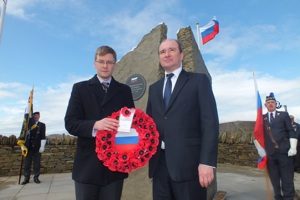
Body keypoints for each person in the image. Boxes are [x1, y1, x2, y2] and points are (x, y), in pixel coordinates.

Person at [146, 39, 219, 200]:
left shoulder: (199, 81)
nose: (167, 54)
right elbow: (148, 127)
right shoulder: (154, 89)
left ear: (182, 55)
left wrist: (207, 162)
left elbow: (210, 124)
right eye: (162, 51)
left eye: (171, 50)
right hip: (159, 167)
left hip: (190, 168)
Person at [64, 45, 134, 200]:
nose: (105, 65)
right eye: (101, 61)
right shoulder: (80, 89)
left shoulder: (124, 91)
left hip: (114, 167)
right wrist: (95, 125)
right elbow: (70, 123)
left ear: (114, 64)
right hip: (87, 167)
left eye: (109, 62)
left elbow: (129, 125)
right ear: (94, 63)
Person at [263, 93, 297, 200]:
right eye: (268, 103)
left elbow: (291, 131)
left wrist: (293, 147)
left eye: (272, 102)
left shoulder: (283, 115)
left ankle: (288, 197)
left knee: (287, 178)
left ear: (276, 103)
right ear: (265, 105)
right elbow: (258, 135)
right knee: (274, 179)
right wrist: (261, 151)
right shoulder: (262, 118)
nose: (270, 104)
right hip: (270, 154)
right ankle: (278, 197)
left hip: (284, 152)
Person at [21, 111, 46, 185]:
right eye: (34, 116)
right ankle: (26, 178)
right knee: (27, 164)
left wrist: (42, 146)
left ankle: (36, 177)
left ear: (39, 116)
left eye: (37, 116)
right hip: (28, 147)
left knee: (37, 164)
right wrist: (22, 145)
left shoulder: (42, 125)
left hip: (37, 147)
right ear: (32, 117)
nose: (36, 117)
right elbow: (23, 134)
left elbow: (43, 136)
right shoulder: (27, 125)